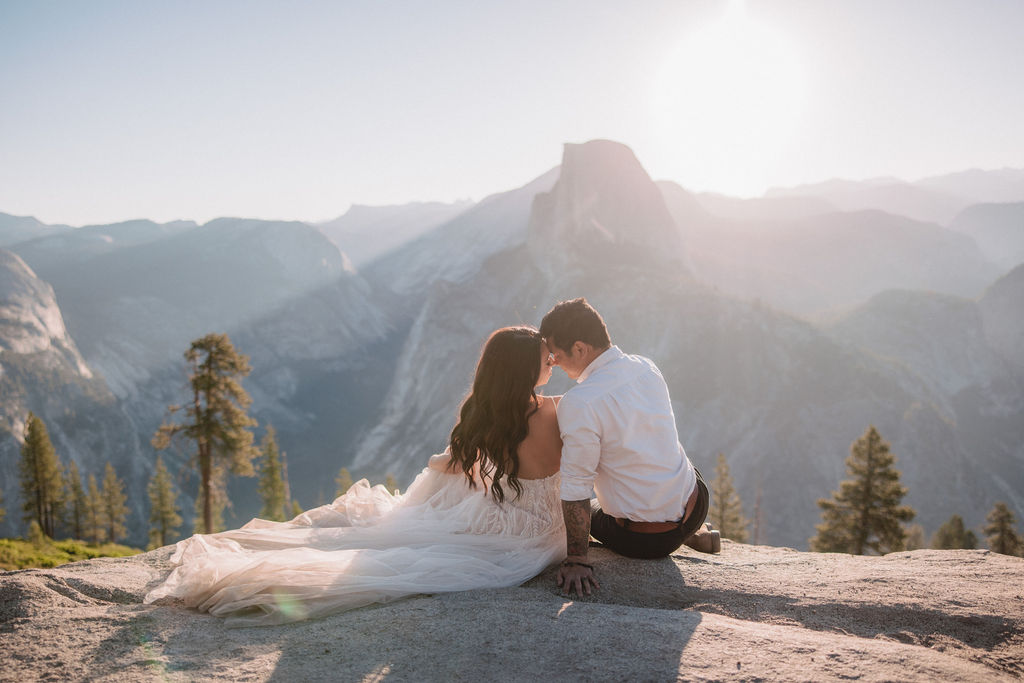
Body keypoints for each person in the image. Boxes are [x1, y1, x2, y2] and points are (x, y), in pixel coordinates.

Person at [144, 326, 565, 626]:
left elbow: (450, 464)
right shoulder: (556, 409)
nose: (552, 361)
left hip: (492, 520)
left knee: (401, 540)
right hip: (539, 533)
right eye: (545, 357)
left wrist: (422, 494)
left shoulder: (487, 413)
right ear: (525, 369)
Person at [539, 298, 719, 598]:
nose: (553, 362)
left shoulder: (580, 402)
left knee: (583, 508)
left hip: (648, 542)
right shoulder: (646, 366)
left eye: (556, 354)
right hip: (697, 504)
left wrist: (577, 560)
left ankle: (668, 528)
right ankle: (691, 531)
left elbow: (576, 488)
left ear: (581, 348)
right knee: (663, 452)